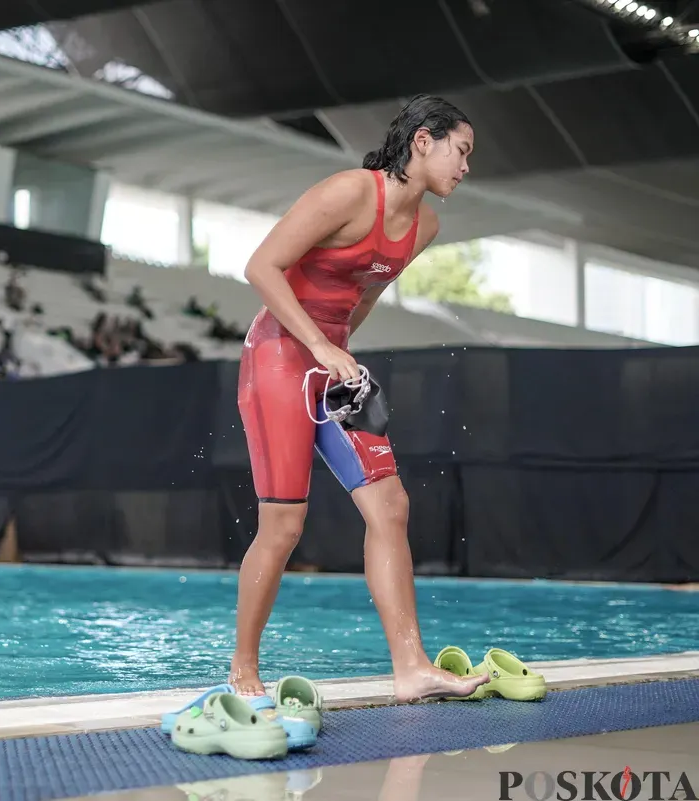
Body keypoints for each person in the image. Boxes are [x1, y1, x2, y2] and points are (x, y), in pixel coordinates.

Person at [233, 95, 489, 703]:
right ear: (423, 141)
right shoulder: (349, 192)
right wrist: (320, 345)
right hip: (277, 356)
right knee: (284, 524)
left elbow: (364, 297)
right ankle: (243, 668)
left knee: (390, 506)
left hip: (332, 365)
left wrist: (338, 354)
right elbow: (261, 267)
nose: (466, 167)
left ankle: (412, 667)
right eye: (462, 150)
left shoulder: (426, 226)